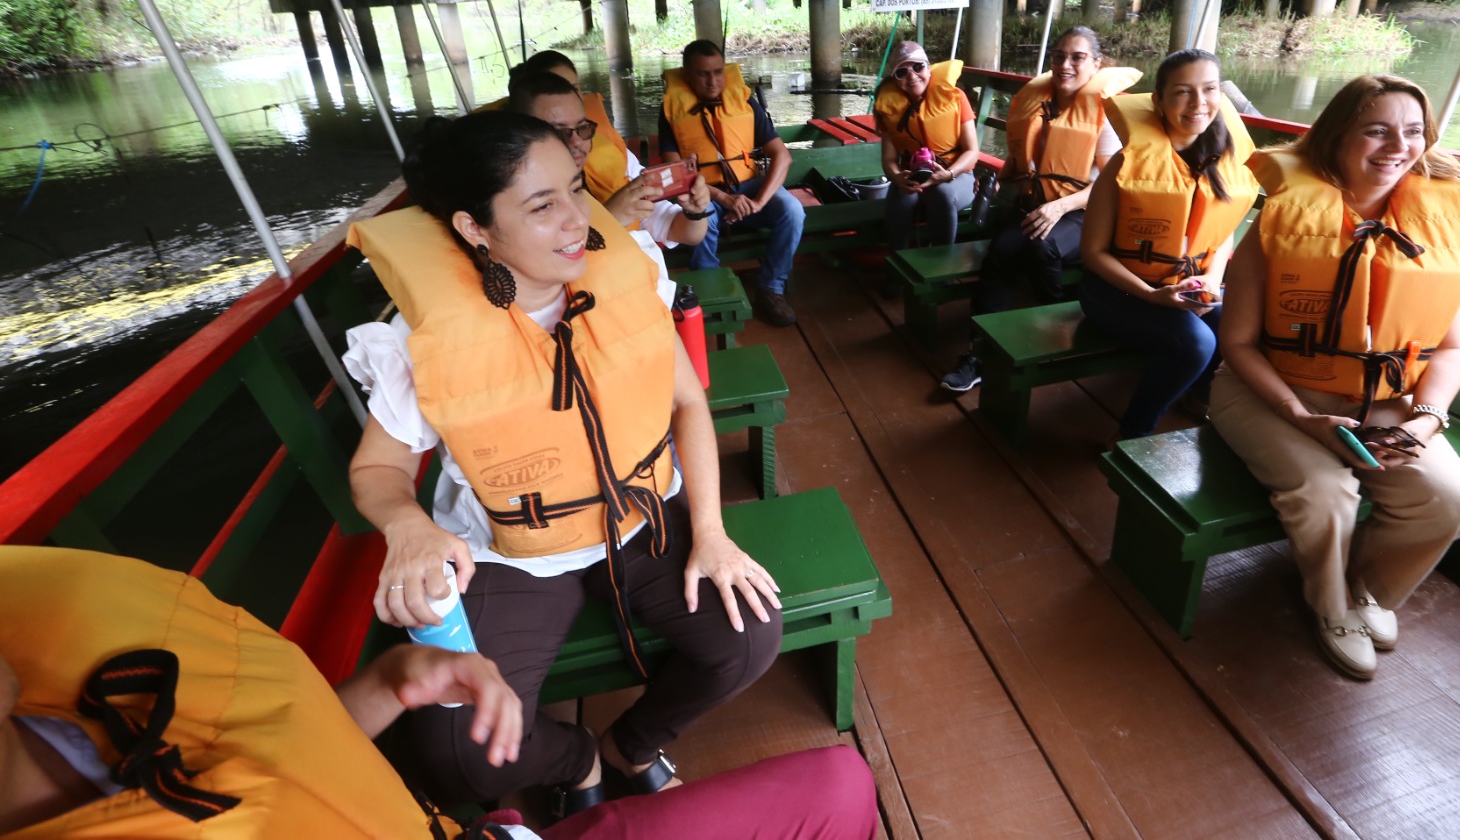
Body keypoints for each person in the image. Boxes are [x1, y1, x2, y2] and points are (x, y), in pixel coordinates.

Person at [342, 110, 782, 817]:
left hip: (642, 520)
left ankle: (628, 748)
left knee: (749, 637)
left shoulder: (626, 271)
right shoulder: (421, 339)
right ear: (473, 228)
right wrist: (407, 525)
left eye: (576, 189)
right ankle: (574, 759)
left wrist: (713, 532)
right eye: (541, 205)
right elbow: (376, 472)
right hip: (509, 553)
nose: (578, 219)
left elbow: (688, 404)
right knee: (459, 754)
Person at [0, 545, 877, 839]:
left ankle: (598, 764)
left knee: (843, 782)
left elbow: (265, 766)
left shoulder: (63, 682)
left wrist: (391, 681)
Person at [1210, 74, 1460, 680]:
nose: (1398, 146)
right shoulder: (1283, 222)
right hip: (1269, 392)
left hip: (1384, 402)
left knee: (1457, 503)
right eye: (1376, 130)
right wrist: (1298, 415)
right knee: (1324, 491)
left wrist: (1428, 418)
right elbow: (1235, 344)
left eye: (1413, 131)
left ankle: (1368, 588)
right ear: (1338, 137)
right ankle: (1330, 604)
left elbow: (1452, 346)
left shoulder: (1435, 229)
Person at [939, 27, 1141, 393]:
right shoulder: (1039, 102)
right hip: (1039, 204)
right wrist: (1002, 177)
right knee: (1001, 249)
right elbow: (1024, 162)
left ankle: (1057, 329)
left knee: (1040, 243)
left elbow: (1110, 184)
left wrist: (1059, 208)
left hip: (1087, 211)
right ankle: (978, 353)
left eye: (1077, 57)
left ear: (1096, 64)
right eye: (1059, 56)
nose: (1066, 64)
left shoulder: (1105, 113)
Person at [1078, 48, 1259, 438]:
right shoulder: (1128, 164)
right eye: (1182, 92)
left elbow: (1222, 231)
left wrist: (1211, 279)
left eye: (1209, 89)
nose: (1199, 103)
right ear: (1158, 101)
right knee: (1195, 343)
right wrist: (1150, 295)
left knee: (1236, 328)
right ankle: (1133, 434)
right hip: (1116, 292)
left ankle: (1199, 396)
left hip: (1186, 287)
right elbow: (1093, 254)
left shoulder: (1222, 161)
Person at [659, 40, 804, 327]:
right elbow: (676, 173)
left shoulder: (744, 103)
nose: (713, 81)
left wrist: (760, 201)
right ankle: (711, 295)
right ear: (687, 74)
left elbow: (782, 156)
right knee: (702, 222)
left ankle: (771, 289)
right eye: (702, 74)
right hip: (704, 192)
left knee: (792, 211)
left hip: (749, 188)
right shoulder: (671, 111)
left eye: (717, 72)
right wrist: (724, 199)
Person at [509, 70, 713, 248]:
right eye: (558, 132)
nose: (576, 141)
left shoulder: (611, 166)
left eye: (582, 128)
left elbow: (685, 232)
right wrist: (611, 219)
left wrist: (695, 212)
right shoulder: (511, 201)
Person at [872, 40, 981, 251]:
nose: (912, 76)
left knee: (942, 195)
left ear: (929, 68)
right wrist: (897, 178)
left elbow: (972, 151)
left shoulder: (957, 98)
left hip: (957, 177)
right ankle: (899, 267)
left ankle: (942, 266)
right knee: (900, 200)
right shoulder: (890, 108)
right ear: (894, 79)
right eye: (901, 72)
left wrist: (948, 174)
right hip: (912, 178)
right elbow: (888, 159)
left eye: (918, 67)